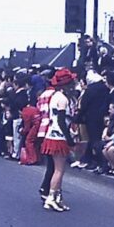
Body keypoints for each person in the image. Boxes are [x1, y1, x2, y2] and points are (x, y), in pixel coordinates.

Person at [40, 68, 76, 211]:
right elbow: (61, 121)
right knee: (59, 170)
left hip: (52, 134)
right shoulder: (63, 99)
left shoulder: (54, 96)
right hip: (59, 136)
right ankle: (51, 197)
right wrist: (69, 138)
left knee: (56, 169)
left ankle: (56, 197)